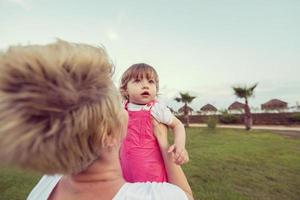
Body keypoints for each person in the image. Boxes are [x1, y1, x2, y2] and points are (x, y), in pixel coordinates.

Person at [0, 40, 193, 200]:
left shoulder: (46, 185)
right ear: (109, 135)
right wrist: (163, 142)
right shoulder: (157, 196)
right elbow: (185, 195)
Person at [119, 63, 189, 182]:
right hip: (125, 174)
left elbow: (177, 125)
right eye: (137, 81)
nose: (145, 86)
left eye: (151, 81)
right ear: (125, 89)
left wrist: (179, 145)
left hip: (153, 177)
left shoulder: (156, 109)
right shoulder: (121, 109)